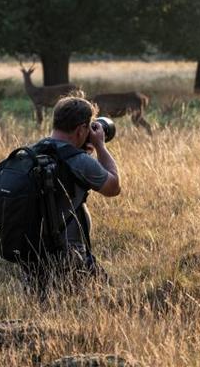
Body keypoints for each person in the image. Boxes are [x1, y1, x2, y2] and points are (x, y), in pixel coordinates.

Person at [26, 96, 121, 291]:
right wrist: (101, 146)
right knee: (111, 298)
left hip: (31, 257)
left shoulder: (31, 153)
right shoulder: (79, 162)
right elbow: (113, 187)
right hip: (71, 257)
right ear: (81, 130)